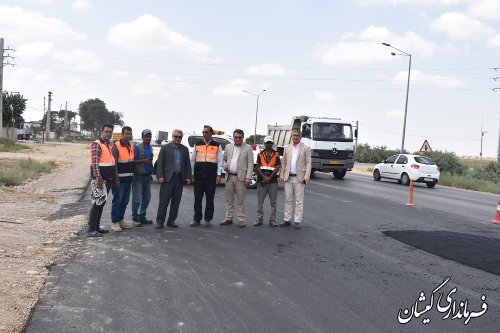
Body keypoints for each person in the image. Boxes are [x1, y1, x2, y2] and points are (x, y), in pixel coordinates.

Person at [155, 130, 192, 229]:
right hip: (167, 179)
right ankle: (160, 222)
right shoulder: (165, 148)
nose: (178, 138)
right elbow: (160, 163)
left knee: (176, 202)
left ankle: (171, 221)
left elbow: (188, 164)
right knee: (164, 202)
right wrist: (160, 176)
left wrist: (188, 176)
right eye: (176, 136)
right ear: (172, 136)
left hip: (179, 178)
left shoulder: (185, 149)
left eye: (180, 137)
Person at [87, 124, 117, 237]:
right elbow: (95, 163)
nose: (108, 134)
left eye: (110, 132)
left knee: (101, 204)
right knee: (97, 204)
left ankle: (96, 227)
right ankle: (91, 229)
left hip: (107, 179)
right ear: (101, 131)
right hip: (100, 180)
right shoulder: (97, 144)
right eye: (106, 131)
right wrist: (98, 178)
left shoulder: (107, 145)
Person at [190, 125, 223, 227]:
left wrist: (218, 175)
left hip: (210, 177)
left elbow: (220, 160)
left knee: (210, 198)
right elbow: (193, 160)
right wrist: (192, 174)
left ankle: (208, 219)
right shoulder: (197, 144)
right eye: (203, 132)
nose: (204, 134)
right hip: (199, 176)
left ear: (211, 133)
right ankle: (197, 219)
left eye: (206, 132)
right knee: (197, 199)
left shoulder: (217, 145)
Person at [221, 129, 254, 228]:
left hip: (241, 178)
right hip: (229, 176)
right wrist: (225, 165)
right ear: (233, 137)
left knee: (241, 200)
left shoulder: (248, 148)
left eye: (239, 137)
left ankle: (241, 219)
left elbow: (250, 163)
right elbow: (224, 159)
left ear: (243, 137)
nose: (237, 139)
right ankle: (228, 218)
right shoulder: (228, 146)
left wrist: (248, 177)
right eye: (235, 137)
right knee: (229, 200)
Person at [279, 130, 311, 229]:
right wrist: (281, 174)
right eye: (294, 135)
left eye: (297, 135)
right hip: (288, 177)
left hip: (299, 178)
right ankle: (287, 220)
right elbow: (283, 162)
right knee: (288, 200)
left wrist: (307, 176)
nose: (295, 137)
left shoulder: (306, 148)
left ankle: (297, 221)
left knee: (298, 201)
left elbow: (308, 163)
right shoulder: (287, 148)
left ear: (300, 137)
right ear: (291, 136)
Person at [110, 126, 135, 232]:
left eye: (130, 134)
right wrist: (115, 179)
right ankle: (115, 222)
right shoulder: (116, 146)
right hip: (119, 180)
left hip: (128, 180)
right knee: (117, 201)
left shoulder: (130, 146)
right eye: (127, 134)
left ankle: (120, 220)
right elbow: (114, 165)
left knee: (124, 201)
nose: (129, 135)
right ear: (122, 134)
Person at [254, 136, 281, 227]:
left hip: (273, 181)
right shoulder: (260, 154)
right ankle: (259, 219)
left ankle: (272, 220)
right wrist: (264, 177)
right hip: (262, 181)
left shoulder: (276, 154)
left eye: (270, 143)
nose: (268, 144)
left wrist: (269, 177)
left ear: (272, 144)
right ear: (264, 144)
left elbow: (277, 167)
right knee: (260, 202)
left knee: (273, 203)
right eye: (267, 143)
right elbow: (257, 167)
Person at [131, 129, 154, 227]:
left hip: (147, 176)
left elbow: (151, 162)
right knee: (136, 198)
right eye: (146, 136)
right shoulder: (137, 147)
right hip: (138, 176)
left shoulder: (150, 148)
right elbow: (132, 160)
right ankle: (135, 218)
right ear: (142, 137)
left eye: (149, 136)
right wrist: (143, 161)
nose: (148, 138)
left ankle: (142, 216)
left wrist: (151, 174)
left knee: (147, 197)